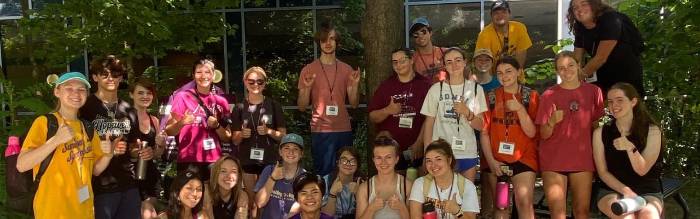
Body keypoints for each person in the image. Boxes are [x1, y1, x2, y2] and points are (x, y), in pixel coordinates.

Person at [17, 72, 114, 218]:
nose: (76, 93)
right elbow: (22, 165)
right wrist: (55, 141)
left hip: (84, 210)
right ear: (57, 91)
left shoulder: (87, 127)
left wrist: (108, 155)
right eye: (69, 88)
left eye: (81, 89)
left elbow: (95, 170)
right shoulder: (45, 123)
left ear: (86, 95)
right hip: (53, 211)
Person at [535, 51, 604, 219]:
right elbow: (543, 135)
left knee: (582, 212)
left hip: (582, 158)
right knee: (557, 213)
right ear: (557, 72)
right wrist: (551, 121)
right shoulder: (549, 95)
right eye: (561, 68)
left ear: (578, 65)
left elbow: (597, 126)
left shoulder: (594, 92)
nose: (567, 71)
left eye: (570, 65)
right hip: (553, 158)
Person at [80, 55, 150, 219]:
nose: (110, 78)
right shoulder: (85, 108)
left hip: (128, 184)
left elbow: (133, 148)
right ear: (95, 77)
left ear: (121, 77)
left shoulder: (129, 110)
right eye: (104, 74)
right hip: (99, 185)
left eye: (115, 74)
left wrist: (140, 152)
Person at [297, 22, 360, 183]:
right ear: (319, 42)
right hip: (321, 129)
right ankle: (325, 206)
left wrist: (355, 85)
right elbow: (302, 106)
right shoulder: (308, 70)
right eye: (324, 39)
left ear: (336, 42)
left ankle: (344, 207)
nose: (328, 43)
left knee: (346, 171)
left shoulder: (346, 69)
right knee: (323, 173)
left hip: (343, 128)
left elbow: (353, 104)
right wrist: (307, 88)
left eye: (331, 39)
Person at [593, 82, 663, 218]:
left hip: (647, 190)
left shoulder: (652, 130)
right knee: (627, 217)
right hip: (612, 190)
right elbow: (603, 172)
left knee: (648, 216)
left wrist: (630, 148)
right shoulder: (600, 133)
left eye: (620, 100)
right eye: (611, 102)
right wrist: (626, 191)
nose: (614, 106)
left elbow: (641, 170)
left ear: (633, 102)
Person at [480, 56, 539, 218]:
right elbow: (484, 132)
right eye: (499, 73)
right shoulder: (491, 96)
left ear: (519, 72)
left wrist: (520, 109)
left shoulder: (530, 96)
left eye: (508, 71)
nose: (504, 76)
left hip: (524, 158)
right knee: (501, 206)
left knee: (524, 204)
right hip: (497, 160)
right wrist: (491, 162)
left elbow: (532, 133)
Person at [420, 47, 487, 181]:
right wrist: (427, 155)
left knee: (465, 198)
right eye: (449, 62)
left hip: (467, 152)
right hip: (440, 153)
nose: (454, 65)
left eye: (458, 60)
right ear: (444, 66)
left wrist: (467, 112)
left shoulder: (475, 89)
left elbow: (481, 126)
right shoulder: (436, 89)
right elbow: (429, 124)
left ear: (465, 62)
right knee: (442, 198)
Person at [231, 66, 286, 216]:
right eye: (252, 81)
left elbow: (283, 136)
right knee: (252, 201)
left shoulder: (274, 105)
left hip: (268, 159)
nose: (256, 85)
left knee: (266, 200)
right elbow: (235, 141)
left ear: (265, 84)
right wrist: (242, 134)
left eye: (260, 82)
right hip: (247, 160)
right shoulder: (239, 108)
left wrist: (269, 131)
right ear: (245, 82)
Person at [165, 58, 232, 181]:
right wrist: (182, 122)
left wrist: (217, 126)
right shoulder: (182, 97)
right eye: (199, 72)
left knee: (211, 198)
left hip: (213, 159)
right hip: (189, 158)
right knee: (189, 197)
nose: (203, 76)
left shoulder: (221, 101)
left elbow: (227, 137)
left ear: (213, 75)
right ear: (193, 75)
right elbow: (169, 131)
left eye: (207, 72)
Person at [368, 48, 431, 172]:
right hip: (390, 153)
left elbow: (429, 117)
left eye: (402, 61)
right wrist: (387, 110)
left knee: (416, 186)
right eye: (395, 62)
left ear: (412, 60)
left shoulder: (425, 85)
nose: (398, 65)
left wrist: (419, 143)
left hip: (416, 149)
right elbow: (372, 116)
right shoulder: (386, 86)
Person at [569, 0, 645, 94]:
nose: (579, 9)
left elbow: (601, 58)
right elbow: (577, 59)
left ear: (594, 5)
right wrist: (571, 75)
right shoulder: (580, 27)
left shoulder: (611, 19)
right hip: (601, 77)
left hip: (626, 78)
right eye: (575, 7)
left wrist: (577, 78)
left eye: (584, 4)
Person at [408, 139, 480, 219]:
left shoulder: (467, 186)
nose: (433, 165)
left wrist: (457, 211)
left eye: (438, 159)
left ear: (449, 160)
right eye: (429, 161)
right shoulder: (420, 184)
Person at [129, 78, 168, 219]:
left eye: (149, 93)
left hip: (150, 174)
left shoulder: (154, 120)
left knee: (152, 213)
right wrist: (134, 152)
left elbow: (158, 154)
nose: (145, 96)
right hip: (131, 175)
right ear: (131, 94)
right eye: (140, 93)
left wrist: (160, 145)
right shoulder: (124, 118)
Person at [471, 48, 501, 218]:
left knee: (488, 172)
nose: (483, 63)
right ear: (474, 63)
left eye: (486, 60)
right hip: (469, 132)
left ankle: (488, 210)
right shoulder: (470, 83)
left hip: (489, 133)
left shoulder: (498, 83)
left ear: (492, 62)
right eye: (479, 60)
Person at [356, 136, 412, 219]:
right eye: (379, 157)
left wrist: (402, 208)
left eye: (388, 157)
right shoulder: (364, 188)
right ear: (373, 160)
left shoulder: (407, 186)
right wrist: (371, 209)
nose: (383, 162)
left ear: (396, 159)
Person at [254, 133, 307, 219]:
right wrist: (273, 178)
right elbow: (259, 203)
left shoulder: (304, 177)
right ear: (280, 151)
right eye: (286, 148)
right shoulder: (269, 170)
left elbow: (304, 207)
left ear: (301, 154)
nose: (291, 152)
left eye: (296, 149)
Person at [475, 0, 533, 67]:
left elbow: (521, 53)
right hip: (494, 74)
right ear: (491, 16)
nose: (500, 15)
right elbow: (483, 60)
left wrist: (517, 72)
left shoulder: (519, 28)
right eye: (496, 13)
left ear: (509, 14)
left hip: (516, 72)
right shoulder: (484, 34)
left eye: (504, 12)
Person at [322, 147, 362, 219]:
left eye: (353, 161)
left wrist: (359, 195)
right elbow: (325, 216)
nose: (348, 164)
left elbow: (367, 213)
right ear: (338, 163)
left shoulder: (363, 183)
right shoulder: (325, 181)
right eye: (344, 160)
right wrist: (332, 194)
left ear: (357, 165)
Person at [410, 17, 447, 82]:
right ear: (413, 38)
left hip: (445, 91)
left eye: (423, 32)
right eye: (416, 34)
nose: (420, 36)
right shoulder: (412, 59)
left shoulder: (445, 52)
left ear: (430, 33)